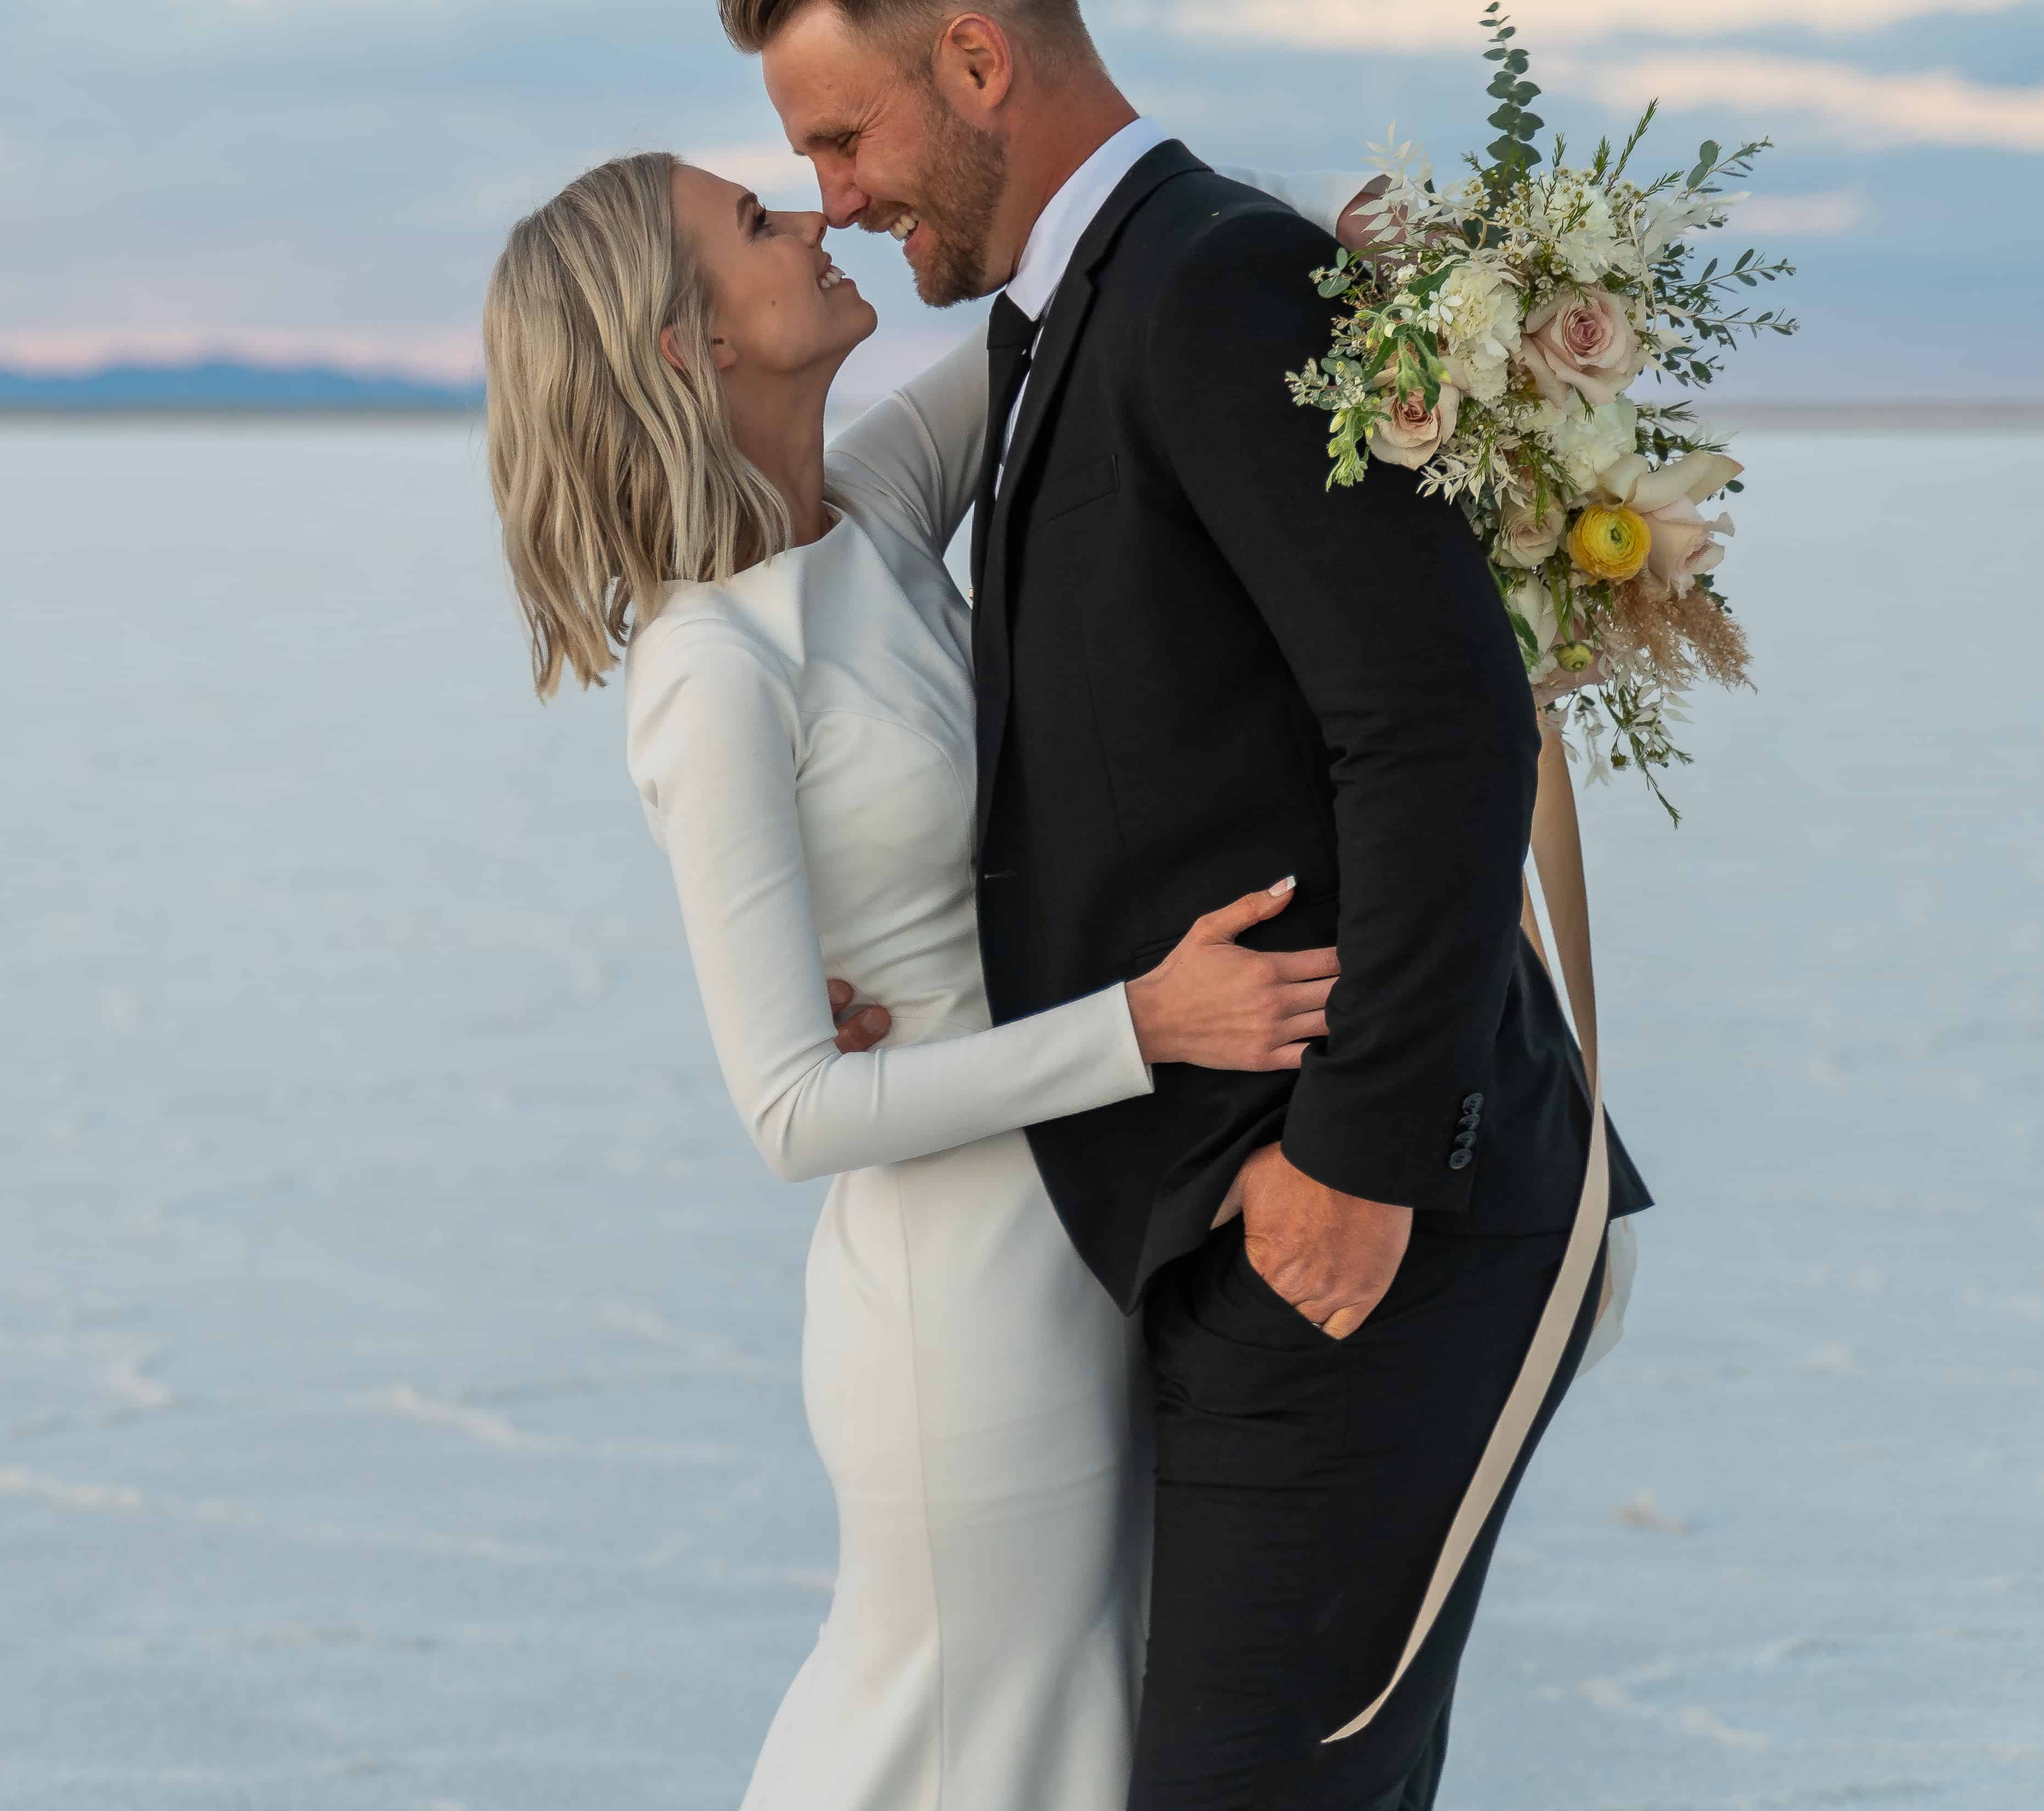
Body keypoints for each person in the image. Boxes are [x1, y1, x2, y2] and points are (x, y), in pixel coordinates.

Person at [715, 0, 1648, 1811]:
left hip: (1373, 1225)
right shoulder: (1103, 304)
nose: (836, 197)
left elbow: (1440, 726)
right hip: (1230, 1227)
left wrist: (1361, 1165)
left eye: (843, 135)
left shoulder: (1205, 281)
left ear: (976, 61)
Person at [482, 144, 1383, 1811]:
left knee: (1077, 1746)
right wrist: (1146, 1022)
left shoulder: (878, 514)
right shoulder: (713, 668)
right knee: (955, 1745)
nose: (815, 215)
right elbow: (792, 1106)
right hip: (959, 1312)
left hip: (1092, 1231)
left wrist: (1328, 227)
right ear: (693, 346)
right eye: (756, 224)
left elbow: (1104, 262)